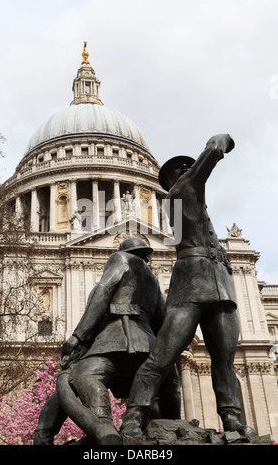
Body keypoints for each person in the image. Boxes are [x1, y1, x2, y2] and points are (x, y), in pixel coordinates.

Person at [121, 134, 257, 439]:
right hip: (190, 287)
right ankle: (135, 413)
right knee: (163, 353)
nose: (186, 171)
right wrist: (220, 142)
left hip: (219, 286)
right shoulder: (180, 192)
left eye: (187, 168)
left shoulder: (192, 205)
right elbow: (207, 160)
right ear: (171, 180)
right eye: (180, 170)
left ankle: (231, 418)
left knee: (224, 360)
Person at [34, 237, 180, 445]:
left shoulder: (121, 258)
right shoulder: (154, 281)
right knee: (161, 385)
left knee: (81, 376)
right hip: (148, 346)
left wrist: (78, 335)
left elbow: (103, 292)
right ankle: (162, 426)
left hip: (120, 339)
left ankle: (102, 425)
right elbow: (163, 320)